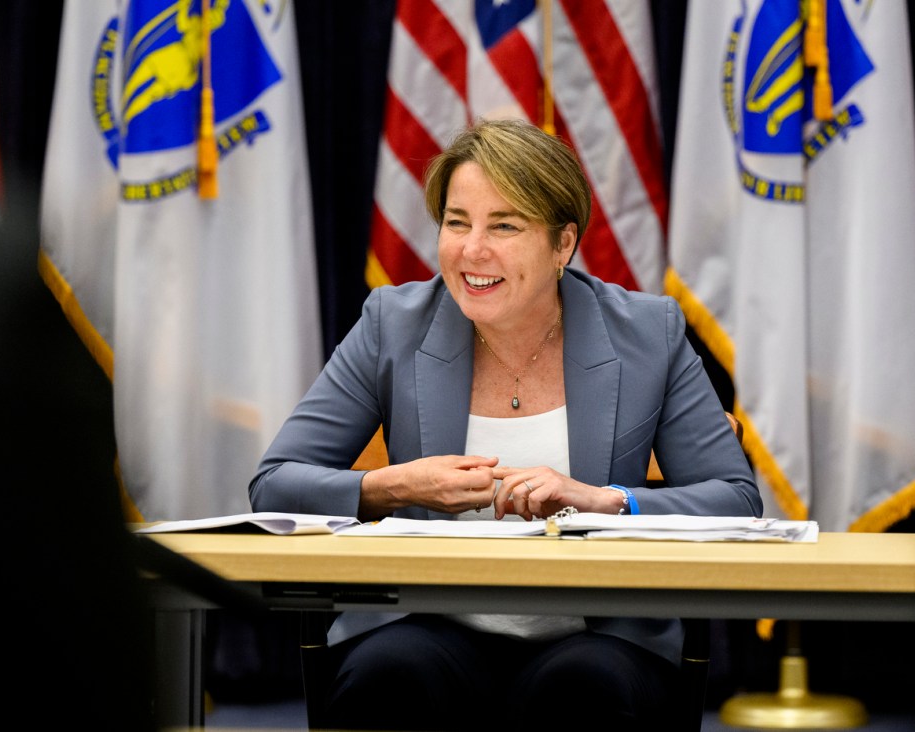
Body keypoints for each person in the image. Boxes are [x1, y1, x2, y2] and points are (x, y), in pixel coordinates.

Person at [249, 118, 761, 730]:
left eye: (505, 226)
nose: (471, 251)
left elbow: (735, 500)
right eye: (456, 222)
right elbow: (274, 484)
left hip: (599, 634)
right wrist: (396, 487)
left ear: (562, 245)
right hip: (426, 623)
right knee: (391, 678)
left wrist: (605, 501)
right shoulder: (394, 323)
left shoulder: (649, 333)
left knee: (582, 689)